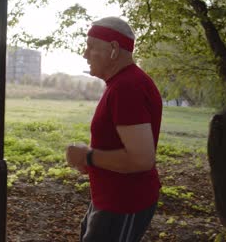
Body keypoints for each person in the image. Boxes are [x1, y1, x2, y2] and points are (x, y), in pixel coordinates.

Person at [66, 17, 162, 242]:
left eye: (91, 47)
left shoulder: (127, 87)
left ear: (113, 49)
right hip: (110, 199)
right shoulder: (122, 83)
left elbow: (141, 159)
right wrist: (93, 161)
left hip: (124, 202)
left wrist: (87, 156)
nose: (84, 54)